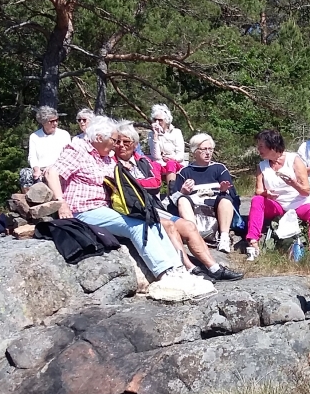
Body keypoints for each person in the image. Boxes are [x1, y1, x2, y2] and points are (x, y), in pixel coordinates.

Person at [43, 116, 209, 289]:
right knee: (136, 227)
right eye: (114, 140)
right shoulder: (78, 150)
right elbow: (52, 173)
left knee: (151, 220)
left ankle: (178, 268)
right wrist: (61, 202)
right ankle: (164, 272)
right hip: (84, 209)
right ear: (100, 138)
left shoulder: (106, 157)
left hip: (107, 208)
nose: (116, 145)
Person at [112, 121, 243, 281]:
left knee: (189, 226)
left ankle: (214, 268)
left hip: (158, 208)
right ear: (195, 151)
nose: (121, 145)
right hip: (137, 210)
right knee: (174, 217)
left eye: (126, 142)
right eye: (117, 142)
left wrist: (137, 184)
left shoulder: (143, 163)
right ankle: (190, 268)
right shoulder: (112, 164)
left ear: (134, 144)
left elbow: (154, 185)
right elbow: (169, 196)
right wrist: (182, 192)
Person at [245, 129, 310, 261]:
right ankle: (253, 243)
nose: (258, 149)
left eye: (261, 146)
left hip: (300, 203)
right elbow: (258, 190)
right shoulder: (262, 166)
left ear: (273, 146)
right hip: (278, 205)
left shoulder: (294, 159)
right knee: (257, 200)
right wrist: (266, 194)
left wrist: (293, 184)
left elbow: (306, 191)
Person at [170, 134, 240, 253]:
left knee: (225, 199)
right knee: (182, 199)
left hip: (216, 207)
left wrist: (224, 190)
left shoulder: (219, 169)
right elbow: (172, 200)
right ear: (194, 151)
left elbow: (234, 196)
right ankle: (195, 237)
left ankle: (224, 238)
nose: (208, 153)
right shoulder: (184, 172)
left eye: (210, 149)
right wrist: (183, 192)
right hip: (195, 209)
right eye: (204, 149)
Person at [19, 106, 71, 190]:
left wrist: (53, 166)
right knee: (25, 173)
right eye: (52, 121)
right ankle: (29, 200)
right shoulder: (34, 136)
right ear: (43, 122)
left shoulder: (64, 135)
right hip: (40, 169)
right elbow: (32, 157)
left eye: (56, 120)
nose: (55, 123)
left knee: (51, 175)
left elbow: (68, 156)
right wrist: (36, 170)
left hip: (58, 168)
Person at [148, 104, 185, 187]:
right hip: (160, 163)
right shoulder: (151, 134)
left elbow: (180, 155)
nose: (157, 123)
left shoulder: (176, 132)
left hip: (175, 164)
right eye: (155, 120)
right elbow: (156, 156)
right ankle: (155, 194)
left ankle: (171, 192)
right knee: (155, 165)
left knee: (170, 164)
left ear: (166, 121)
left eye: (160, 120)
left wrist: (171, 158)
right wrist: (155, 136)